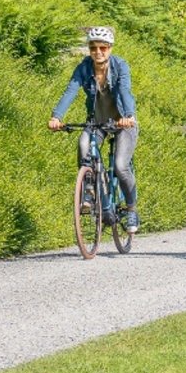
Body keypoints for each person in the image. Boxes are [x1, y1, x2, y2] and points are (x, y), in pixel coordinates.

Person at [48, 26, 139, 231]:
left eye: (103, 48)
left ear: (110, 48)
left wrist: (129, 116)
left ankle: (132, 211)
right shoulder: (84, 68)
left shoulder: (120, 66)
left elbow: (124, 91)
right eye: (93, 48)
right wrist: (56, 116)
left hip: (122, 122)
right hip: (97, 122)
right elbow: (70, 91)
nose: (98, 52)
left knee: (120, 165)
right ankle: (89, 190)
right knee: (83, 144)